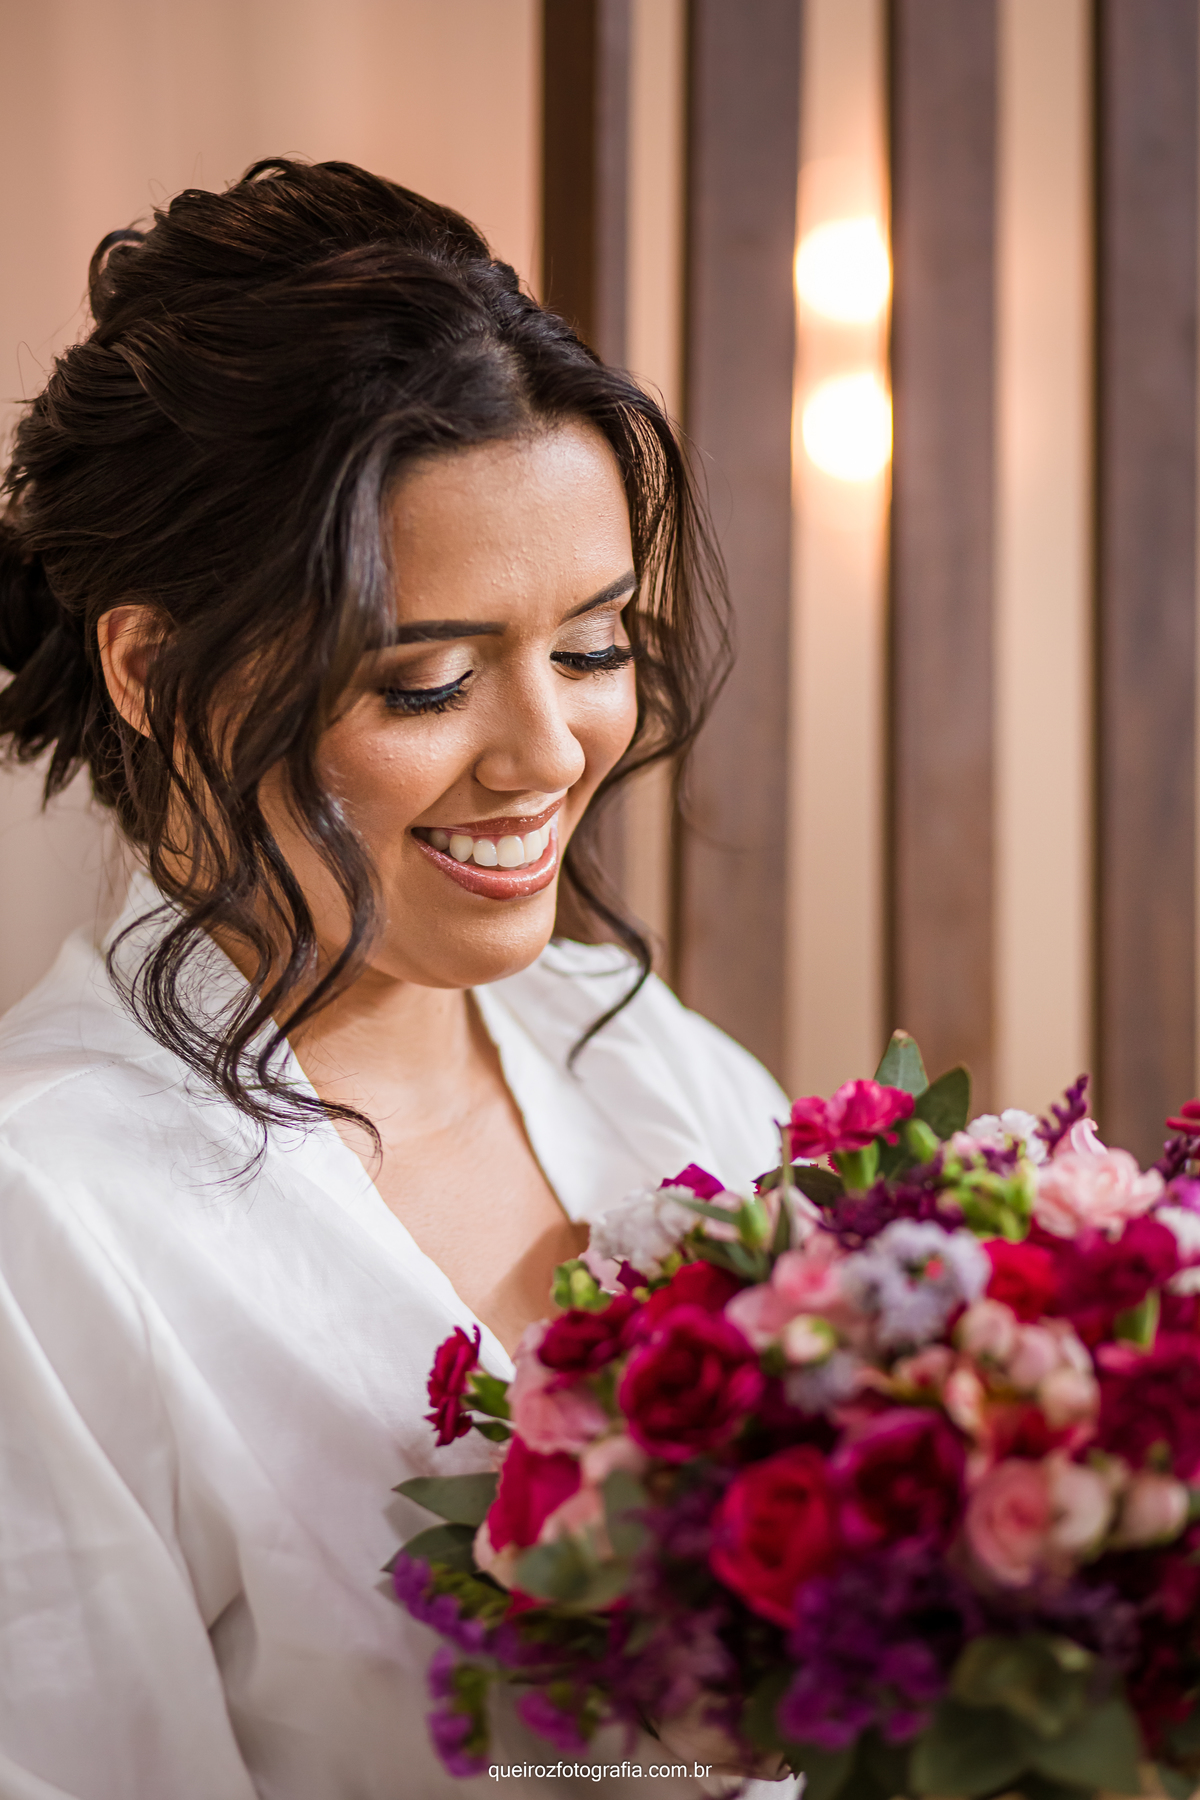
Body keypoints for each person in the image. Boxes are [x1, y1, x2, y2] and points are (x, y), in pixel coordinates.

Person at [0, 161, 792, 1799]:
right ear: (156, 672)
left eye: (590, 650)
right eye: (427, 681)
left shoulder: (655, 1066)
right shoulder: (43, 1221)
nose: (546, 752)